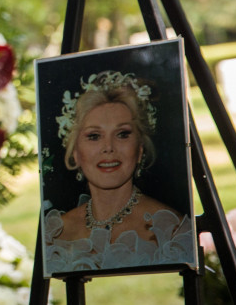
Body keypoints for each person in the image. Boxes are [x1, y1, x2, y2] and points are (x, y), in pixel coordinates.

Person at [43, 70, 195, 273]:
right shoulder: (55, 232)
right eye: (94, 136)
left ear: (140, 150)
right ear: (76, 153)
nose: (108, 147)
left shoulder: (171, 231)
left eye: (122, 134)